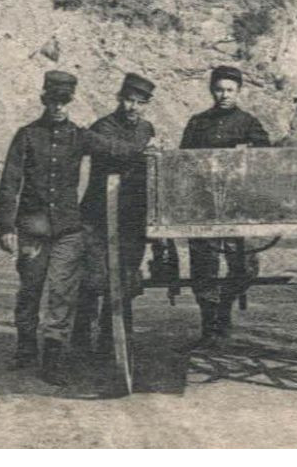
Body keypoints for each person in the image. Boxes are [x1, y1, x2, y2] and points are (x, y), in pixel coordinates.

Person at [0, 70, 89, 385]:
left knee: (62, 291)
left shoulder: (79, 136)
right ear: (44, 100)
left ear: (70, 102)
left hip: (68, 229)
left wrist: (145, 141)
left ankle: (53, 358)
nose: (59, 107)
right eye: (53, 101)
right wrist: (6, 226)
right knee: (31, 288)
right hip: (33, 229)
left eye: (64, 102)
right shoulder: (27, 135)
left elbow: (113, 147)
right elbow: (10, 182)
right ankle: (25, 348)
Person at [179, 65, 272, 347]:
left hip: (236, 206)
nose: (224, 95)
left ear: (239, 91)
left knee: (244, 266)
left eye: (230, 90)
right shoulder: (198, 123)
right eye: (219, 89)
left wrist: (250, 153)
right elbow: (183, 160)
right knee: (203, 267)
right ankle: (209, 326)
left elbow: (267, 157)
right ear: (212, 90)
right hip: (205, 205)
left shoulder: (249, 122)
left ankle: (224, 309)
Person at [75, 72, 158, 359]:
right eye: (127, 100)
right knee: (92, 280)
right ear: (119, 99)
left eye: (139, 102)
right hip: (98, 216)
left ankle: (114, 343)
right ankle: (80, 340)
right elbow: (106, 148)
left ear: (147, 104)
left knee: (124, 280)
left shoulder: (147, 129)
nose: (132, 107)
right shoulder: (103, 127)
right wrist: (140, 153)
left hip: (132, 218)